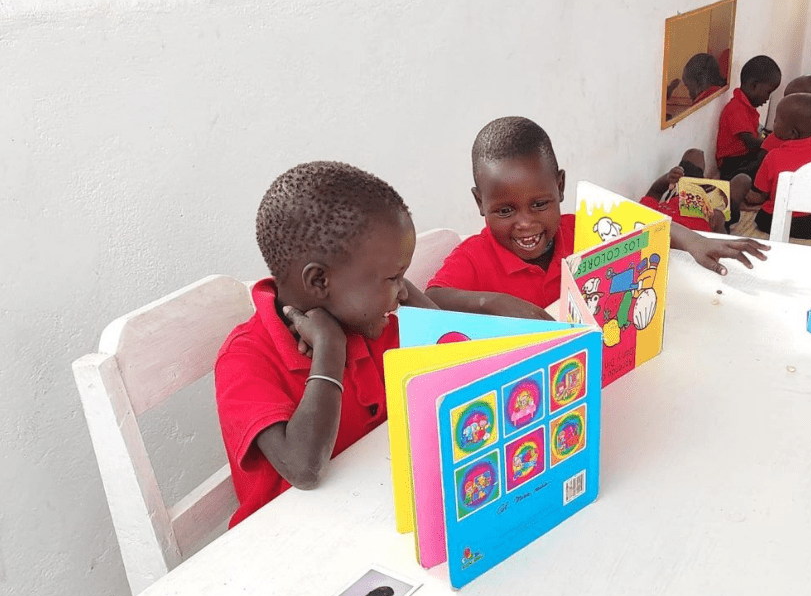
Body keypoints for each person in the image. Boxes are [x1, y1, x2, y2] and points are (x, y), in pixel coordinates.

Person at [215, 161, 434, 527]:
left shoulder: (369, 323)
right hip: (293, 548)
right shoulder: (245, 359)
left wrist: (405, 295)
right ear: (319, 281)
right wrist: (331, 350)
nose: (403, 292)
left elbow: (456, 363)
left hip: (372, 514)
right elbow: (304, 468)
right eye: (393, 277)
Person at [425, 117, 769, 319]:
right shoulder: (474, 257)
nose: (526, 223)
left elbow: (643, 225)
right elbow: (433, 299)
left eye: (540, 204)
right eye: (504, 210)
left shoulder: (582, 228)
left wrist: (694, 241)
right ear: (479, 202)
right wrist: (496, 302)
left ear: (560, 186)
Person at [744, 93, 811, 239]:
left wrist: (746, 195)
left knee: (762, 218)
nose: (774, 124)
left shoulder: (773, 157)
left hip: (784, 220)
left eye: (776, 121)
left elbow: (759, 196)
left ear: (792, 133)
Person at [640, 148, 749, 233]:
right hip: (715, 216)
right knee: (743, 180)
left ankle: (703, 183)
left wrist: (668, 178)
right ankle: (706, 184)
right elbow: (719, 245)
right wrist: (719, 226)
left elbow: (654, 193)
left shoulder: (648, 219)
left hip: (686, 194)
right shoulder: (693, 239)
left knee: (695, 154)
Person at [716, 55, 782, 180]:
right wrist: (775, 144)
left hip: (744, 158)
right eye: (768, 92)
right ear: (754, 86)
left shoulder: (747, 107)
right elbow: (751, 142)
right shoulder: (736, 108)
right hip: (732, 165)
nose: (767, 99)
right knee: (768, 159)